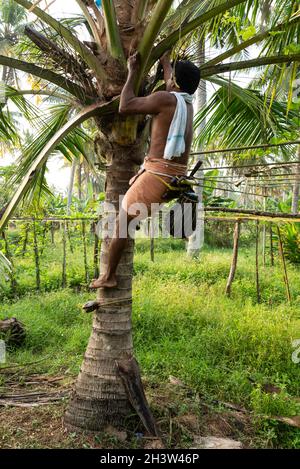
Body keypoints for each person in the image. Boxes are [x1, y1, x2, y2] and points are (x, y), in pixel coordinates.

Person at [90, 51, 201, 289]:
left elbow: (125, 105)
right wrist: (165, 61)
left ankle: (108, 277)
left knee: (121, 223)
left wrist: (131, 71)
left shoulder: (165, 99)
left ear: (175, 83)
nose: (169, 79)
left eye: (172, 76)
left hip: (157, 177)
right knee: (131, 212)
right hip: (174, 176)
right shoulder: (186, 103)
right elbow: (174, 82)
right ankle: (137, 217)